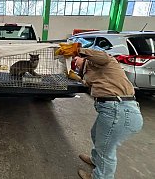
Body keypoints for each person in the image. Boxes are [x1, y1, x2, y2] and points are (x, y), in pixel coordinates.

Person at [56, 43, 143, 179]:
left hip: (118, 110)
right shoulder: (90, 72)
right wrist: (77, 77)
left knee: (106, 150)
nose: (74, 62)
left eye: (75, 59)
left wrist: (78, 50)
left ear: (83, 57)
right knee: (96, 134)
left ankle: (100, 177)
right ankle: (95, 160)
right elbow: (90, 84)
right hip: (113, 110)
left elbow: (102, 56)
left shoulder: (102, 61)